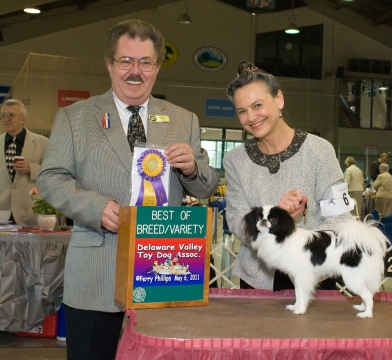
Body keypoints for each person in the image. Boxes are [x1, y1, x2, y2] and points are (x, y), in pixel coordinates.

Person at [37, 19, 218, 360]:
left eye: (145, 62)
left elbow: (207, 186)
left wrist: (193, 168)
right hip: (95, 274)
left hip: (165, 271)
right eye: (126, 61)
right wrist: (94, 207)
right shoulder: (74, 117)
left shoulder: (185, 120)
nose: (135, 71)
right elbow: (50, 178)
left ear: (157, 67)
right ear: (110, 64)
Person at [223, 61, 352, 291]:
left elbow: (341, 219)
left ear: (279, 99)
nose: (251, 117)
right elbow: (237, 221)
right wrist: (279, 220)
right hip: (257, 280)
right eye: (242, 111)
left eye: (258, 105)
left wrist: (295, 234)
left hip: (313, 276)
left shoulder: (320, 150)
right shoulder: (234, 160)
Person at [0, 99, 48, 225]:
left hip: (30, 213)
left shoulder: (43, 143)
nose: (6, 119)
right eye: (3, 115)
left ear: (23, 119)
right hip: (2, 213)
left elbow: (53, 174)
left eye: (10, 115)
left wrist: (31, 169)